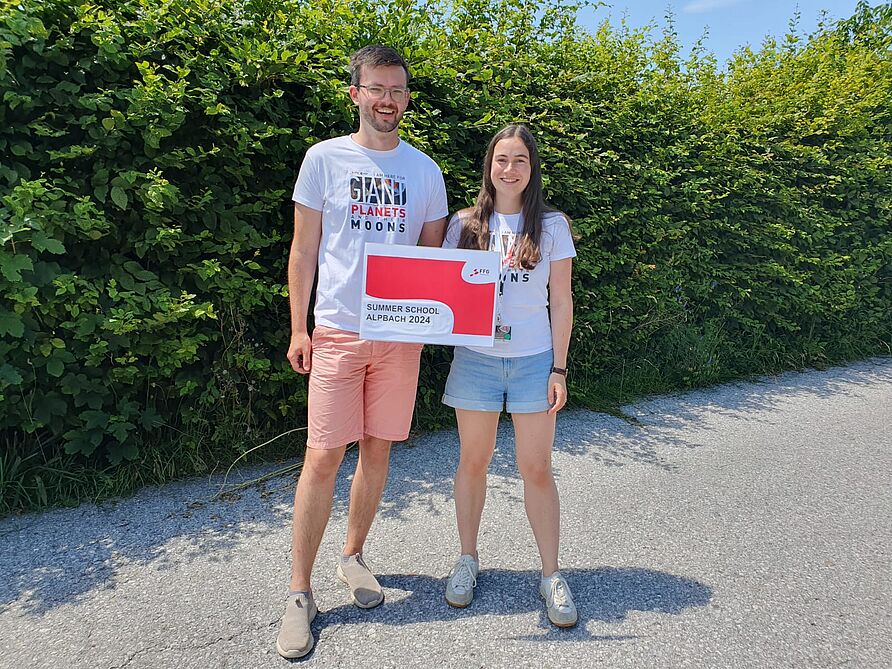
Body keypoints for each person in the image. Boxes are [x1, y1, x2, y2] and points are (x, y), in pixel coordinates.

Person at [277, 44, 448, 659]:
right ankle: (300, 592)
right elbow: (303, 251)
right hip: (338, 333)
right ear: (355, 94)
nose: (388, 100)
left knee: (378, 452)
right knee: (323, 456)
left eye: (398, 90)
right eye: (376, 89)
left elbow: (434, 265)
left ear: (406, 97)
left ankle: (352, 557)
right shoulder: (323, 160)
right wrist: (299, 328)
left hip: (399, 338)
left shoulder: (426, 172)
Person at [441, 124, 577, 627]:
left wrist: (559, 366)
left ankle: (550, 575)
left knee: (536, 468)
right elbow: (439, 294)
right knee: (472, 463)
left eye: (520, 160)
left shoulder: (552, 225)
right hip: (474, 359)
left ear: (531, 167)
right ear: (489, 165)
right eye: (502, 159)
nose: (510, 169)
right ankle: (467, 560)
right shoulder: (463, 225)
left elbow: (561, 301)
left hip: (534, 361)